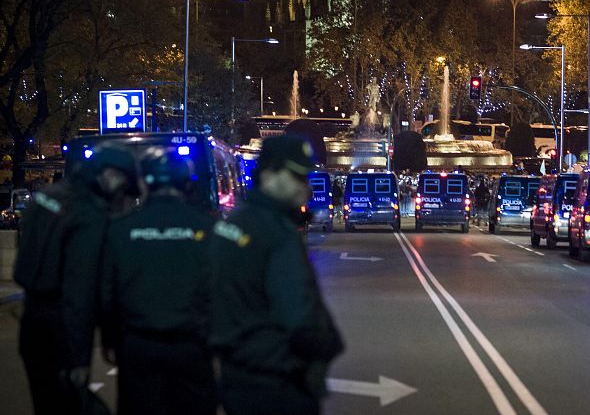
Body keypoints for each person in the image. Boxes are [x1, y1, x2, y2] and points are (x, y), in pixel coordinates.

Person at [211, 135, 344, 415]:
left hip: (236, 374)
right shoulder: (277, 234)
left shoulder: (233, 225)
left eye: (305, 177)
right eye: (296, 176)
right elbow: (298, 314)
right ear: (269, 174)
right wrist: (327, 344)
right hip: (278, 378)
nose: (304, 187)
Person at [14, 143, 140, 415]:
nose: (124, 202)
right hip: (61, 330)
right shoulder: (87, 214)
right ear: (111, 177)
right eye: (124, 191)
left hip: (31, 321)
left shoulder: (46, 197)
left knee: (45, 401)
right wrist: (80, 358)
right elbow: (79, 292)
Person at [101, 147, 216, 415]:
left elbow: (107, 292)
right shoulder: (207, 229)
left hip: (138, 344)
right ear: (187, 184)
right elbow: (219, 290)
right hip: (192, 345)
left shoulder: (121, 229)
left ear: (143, 183)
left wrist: (110, 339)